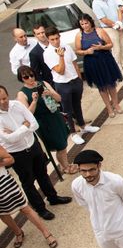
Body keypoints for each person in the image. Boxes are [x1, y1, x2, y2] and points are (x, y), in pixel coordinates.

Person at [0, 85, 73, 221]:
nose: (3, 102)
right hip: (17, 153)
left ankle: (53, 197)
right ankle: (40, 209)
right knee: (28, 182)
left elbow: (34, 124)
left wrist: (19, 130)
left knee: (42, 174)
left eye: (4, 98)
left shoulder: (17, 105)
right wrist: (25, 126)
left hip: (33, 146)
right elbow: (9, 139)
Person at [43, 26, 100, 145]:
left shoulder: (67, 47)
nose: (55, 41)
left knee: (77, 105)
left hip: (75, 81)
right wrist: (61, 57)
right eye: (52, 39)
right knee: (67, 110)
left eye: (57, 38)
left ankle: (83, 126)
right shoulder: (47, 53)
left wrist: (79, 79)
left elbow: (74, 63)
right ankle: (73, 133)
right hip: (62, 84)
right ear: (48, 39)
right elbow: (60, 70)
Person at [16, 66, 75, 174]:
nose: (30, 78)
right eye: (26, 77)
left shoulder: (43, 83)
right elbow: (27, 114)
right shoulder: (22, 93)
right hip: (43, 122)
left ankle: (65, 165)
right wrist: (34, 101)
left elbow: (59, 99)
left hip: (54, 116)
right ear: (21, 79)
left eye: (31, 75)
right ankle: (65, 167)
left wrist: (50, 93)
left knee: (63, 142)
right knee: (59, 145)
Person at [0, 145, 58, 248]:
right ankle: (18, 233)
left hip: (4, 182)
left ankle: (47, 233)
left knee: (24, 208)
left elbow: (10, 159)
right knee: (2, 214)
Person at [74, 14, 123, 118]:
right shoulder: (79, 35)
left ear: (90, 22)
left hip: (105, 60)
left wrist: (102, 47)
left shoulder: (100, 31)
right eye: (82, 24)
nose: (84, 26)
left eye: (86, 23)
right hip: (92, 63)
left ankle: (116, 104)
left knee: (111, 84)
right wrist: (86, 52)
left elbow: (110, 44)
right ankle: (109, 108)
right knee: (102, 87)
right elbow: (77, 50)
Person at [92, 0, 123, 73]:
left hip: (118, 25)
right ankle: (118, 69)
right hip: (109, 29)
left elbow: (119, 10)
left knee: (122, 45)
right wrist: (114, 24)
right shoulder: (96, 3)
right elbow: (103, 19)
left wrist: (120, 22)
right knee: (116, 48)